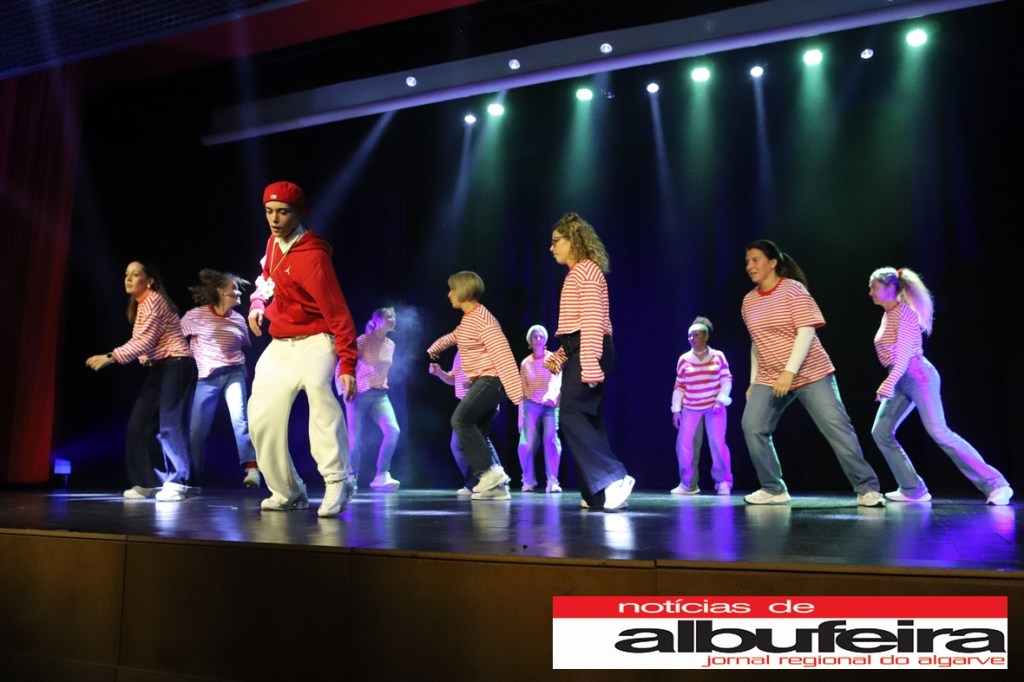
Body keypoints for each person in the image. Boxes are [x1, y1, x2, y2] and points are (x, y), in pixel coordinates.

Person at [740, 239, 885, 507]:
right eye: (747, 261)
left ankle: (867, 488)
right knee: (752, 425)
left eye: (755, 260)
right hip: (770, 375)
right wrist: (753, 381)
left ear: (772, 262)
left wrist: (789, 371)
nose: (750, 266)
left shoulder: (793, 289)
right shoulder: (749, 301)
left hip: (810, 371)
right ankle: (773, 488)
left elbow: (806, 331)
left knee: (836, 426)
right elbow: (756, 343)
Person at [247, 181, 358, 517]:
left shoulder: (314, 258)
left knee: (318, 390)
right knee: (261, 415)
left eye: (282, 212)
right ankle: (288, 491)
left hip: (316, 339)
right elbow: (267, 276)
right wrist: (257, 303)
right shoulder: (273, 244)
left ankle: (339, 480)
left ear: (299, 213)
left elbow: (338, 313)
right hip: (281, 343)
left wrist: (348, 364)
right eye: (269, 211)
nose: (274, 219)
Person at [868, 267, 1013, 505]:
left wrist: (888, 382)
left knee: (939, 432)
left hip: (918, 375)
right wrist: (892, 381)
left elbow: (903, 355)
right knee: (881, 432)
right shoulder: (888, 315)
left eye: (874, 287)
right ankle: (913, 489)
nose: (870, 292)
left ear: (890, 287)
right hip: (900, 378)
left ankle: (996, 484)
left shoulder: (904, 313)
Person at [544, 212, 634, 511]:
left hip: (591, 349)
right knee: (589, 419)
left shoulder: (586, 271)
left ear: (574, 240)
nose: (552, 247)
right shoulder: (578, 273)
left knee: (571, 411)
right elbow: (575, 329)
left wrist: (590, 361)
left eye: (556, 241)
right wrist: (561, 355)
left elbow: (593, 321)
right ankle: (598, 494)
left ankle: (614, 477)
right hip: (583, 348)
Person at [86, 261, 196, 502]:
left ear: (149, 281)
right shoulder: (140, 305)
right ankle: (149, 482)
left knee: (171, 425)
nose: (128, 279)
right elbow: (146, 344)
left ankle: (178, 482)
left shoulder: (154, 300)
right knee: (140, 425)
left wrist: (111, 357)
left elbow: (145, 340)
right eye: (127, 274)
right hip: (160, 367)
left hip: (176, 364)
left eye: (135, 274)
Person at [427, 271, 523, 501]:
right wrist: (435, 348)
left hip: (492, 379)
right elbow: (454, 336)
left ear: (462, 290)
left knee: (460, 420)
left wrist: (516, 390)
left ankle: (490, 473)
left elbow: (502, 352)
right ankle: (498, 488)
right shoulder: (469, 319)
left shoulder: (483, 319)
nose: (449, 294)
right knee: (478, 432)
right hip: (484, 380)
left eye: (452, 289)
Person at [180, 269, 260, 490]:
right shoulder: (195, 316)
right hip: (206, 377)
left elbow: (244, 344)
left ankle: (252, 469)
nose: (238, 292)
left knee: (240, 419)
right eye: (234, 288)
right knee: (198, 429)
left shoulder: (239, 319)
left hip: (234, 373)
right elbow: (176, 338)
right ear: (220, 291)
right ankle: (192, 478)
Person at [671, 316, 733, 496]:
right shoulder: (684, 359)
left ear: (706, 336)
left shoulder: (718, 356)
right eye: (690, 336)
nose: (692, 339)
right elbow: (679, 386)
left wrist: (720, 400)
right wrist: (676, 409)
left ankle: (723, 481)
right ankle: (688, 484)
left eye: (696, 335)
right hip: (691, 407)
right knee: (685, 445)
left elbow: (726, 380)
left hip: (714, 407)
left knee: (718, 444)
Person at [345, 307, 402, 491]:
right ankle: (351, 478)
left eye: (394, 316)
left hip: (380, 395)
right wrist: (346, 388)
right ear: (377, 321)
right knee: (355, 439)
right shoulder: (363, 340)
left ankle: (381, 474)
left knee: (393, 430)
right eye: (388, 316)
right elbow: (347, 363)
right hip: (358, 394)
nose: (393, 319)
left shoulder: (391, 344)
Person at [517, 324, 563, 493]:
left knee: (550, 440)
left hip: (549, 405)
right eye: (534, 337)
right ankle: (528, 480)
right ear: (529, 341)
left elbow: (556, 382)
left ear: (545, 340)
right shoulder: (526, 363)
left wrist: (550, 397)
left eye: (541, 336)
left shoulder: (552, 359)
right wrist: (520, 419)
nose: (538, 339)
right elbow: (522, 390)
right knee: (525, 444)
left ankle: (553, 481)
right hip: (531, 405)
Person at [429, 352, 475, 496]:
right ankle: (476, 483)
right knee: (459, 446)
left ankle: (484, 483)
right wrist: (440, 373)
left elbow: (490, 375)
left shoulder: (478, 347)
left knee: (474, 444)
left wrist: (475, 383)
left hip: (478, 401)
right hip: (466, 402)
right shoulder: (460, 353)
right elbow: (454, 378)